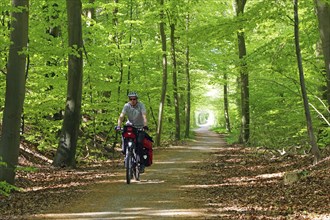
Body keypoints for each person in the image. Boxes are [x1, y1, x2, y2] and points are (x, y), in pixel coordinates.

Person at [115, 91, 148, 172]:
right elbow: (121, 116)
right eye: (131, 99)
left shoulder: (141, 105)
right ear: (129, 99)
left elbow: (144, 116)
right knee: (124, 138)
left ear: (137, 99)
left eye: (134, 99)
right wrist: (119, 126)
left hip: (140, 127)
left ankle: (142, 164)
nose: (132, 100)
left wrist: (145, 125)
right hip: (130, 126)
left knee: (140, 143)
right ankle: (127, 155)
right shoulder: (126, 106)